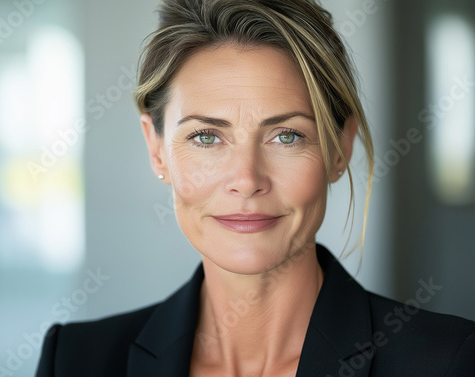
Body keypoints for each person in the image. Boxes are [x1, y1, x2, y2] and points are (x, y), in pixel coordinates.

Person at [35, 0, 475, 376]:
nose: (246, 179)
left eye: (286, 136)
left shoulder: (448, 359)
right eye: (207, 137)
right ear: (156, 149)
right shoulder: (75, 360)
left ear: (340, 149)